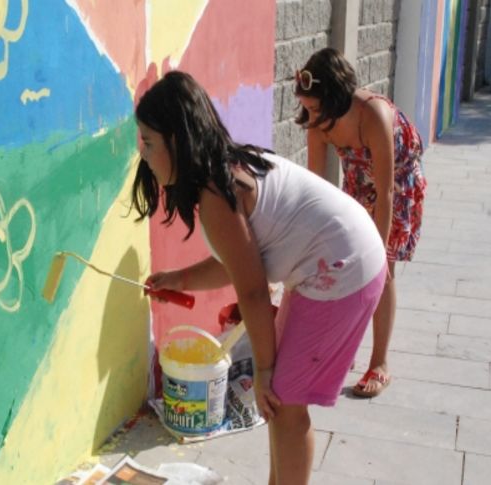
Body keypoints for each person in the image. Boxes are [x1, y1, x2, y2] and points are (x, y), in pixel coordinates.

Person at [131, 71, 387, 484]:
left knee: (282, 399)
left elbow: (251, 289)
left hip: (343, 268)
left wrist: (264, 370)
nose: (142, 153)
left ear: (177, 140)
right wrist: (178, 279)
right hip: (337, 261)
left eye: (148, 142)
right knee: (280, 400)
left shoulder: (216, 190)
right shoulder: (219, 171)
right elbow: (240, 263)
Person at [294, 48, 426, 398]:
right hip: (357, 184)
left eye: (315, 108)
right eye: (306, 107)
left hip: (396, 187)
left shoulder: (373, 115)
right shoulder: (317, 123)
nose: (310, 116)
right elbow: (316, 190)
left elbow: (385, 194)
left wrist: (379, 254)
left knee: (383, 271)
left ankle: (380, 363)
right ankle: (340, 350)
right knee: (344, 265)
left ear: (336, 98)